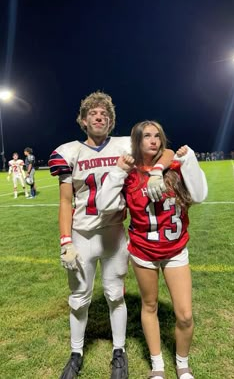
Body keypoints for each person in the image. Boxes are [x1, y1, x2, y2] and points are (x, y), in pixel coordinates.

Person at [48, 91, 174, 379]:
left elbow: (165, 149)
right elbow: (66, 201)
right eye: (92, 112)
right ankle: (76, 352)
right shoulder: (68, 152)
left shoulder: (124, 145)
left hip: (115, 232)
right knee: (79, 298)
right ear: (83, 120)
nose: (99, 116)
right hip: (82, 234)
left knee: (115, 295)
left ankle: (119, 351)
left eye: (104, 113)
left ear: (111, 121)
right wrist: (65, 240)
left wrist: (156, 170)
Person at [97, 120, 208, 379]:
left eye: (157, 135)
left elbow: (200, 195)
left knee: (185, 315)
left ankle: (182, 363)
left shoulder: (176, 166)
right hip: (143, 250)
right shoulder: (129, 173)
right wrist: (117, 172)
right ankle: (158, 366)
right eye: (146, 135)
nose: (153, 140)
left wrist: (186, 160)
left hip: (175, 249)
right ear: (137, 141)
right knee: (149, 306)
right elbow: (103, 205)